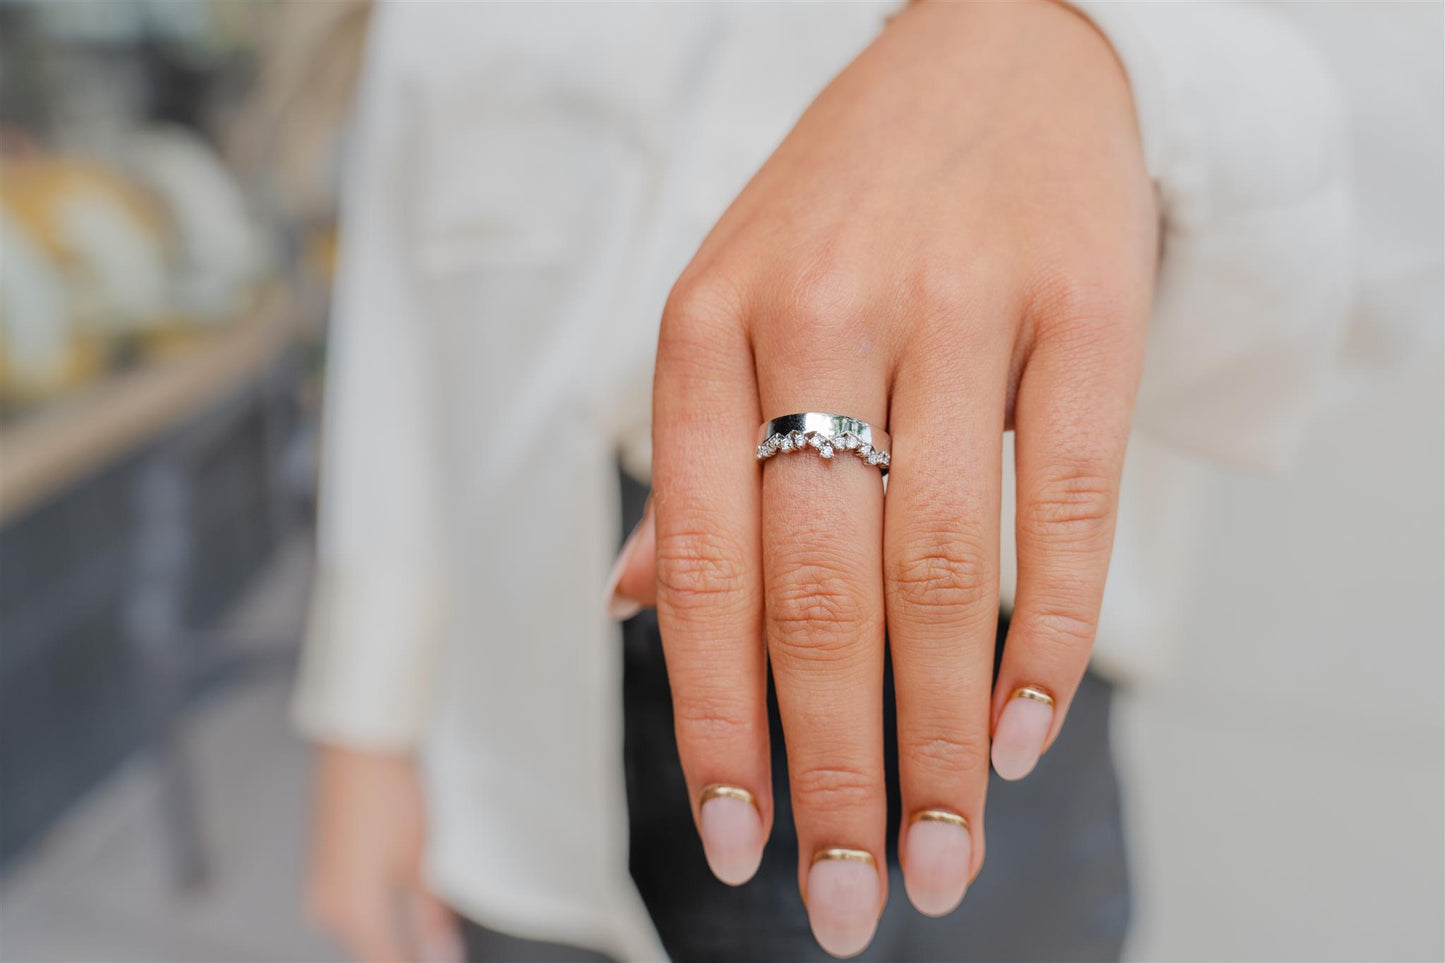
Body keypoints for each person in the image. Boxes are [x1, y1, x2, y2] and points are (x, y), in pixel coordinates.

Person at [296, 2, 1441, 961]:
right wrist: (369, 709)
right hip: (516, 724)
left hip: (946, 699)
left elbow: (1381, 132)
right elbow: (409, 244)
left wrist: (1083, 50)